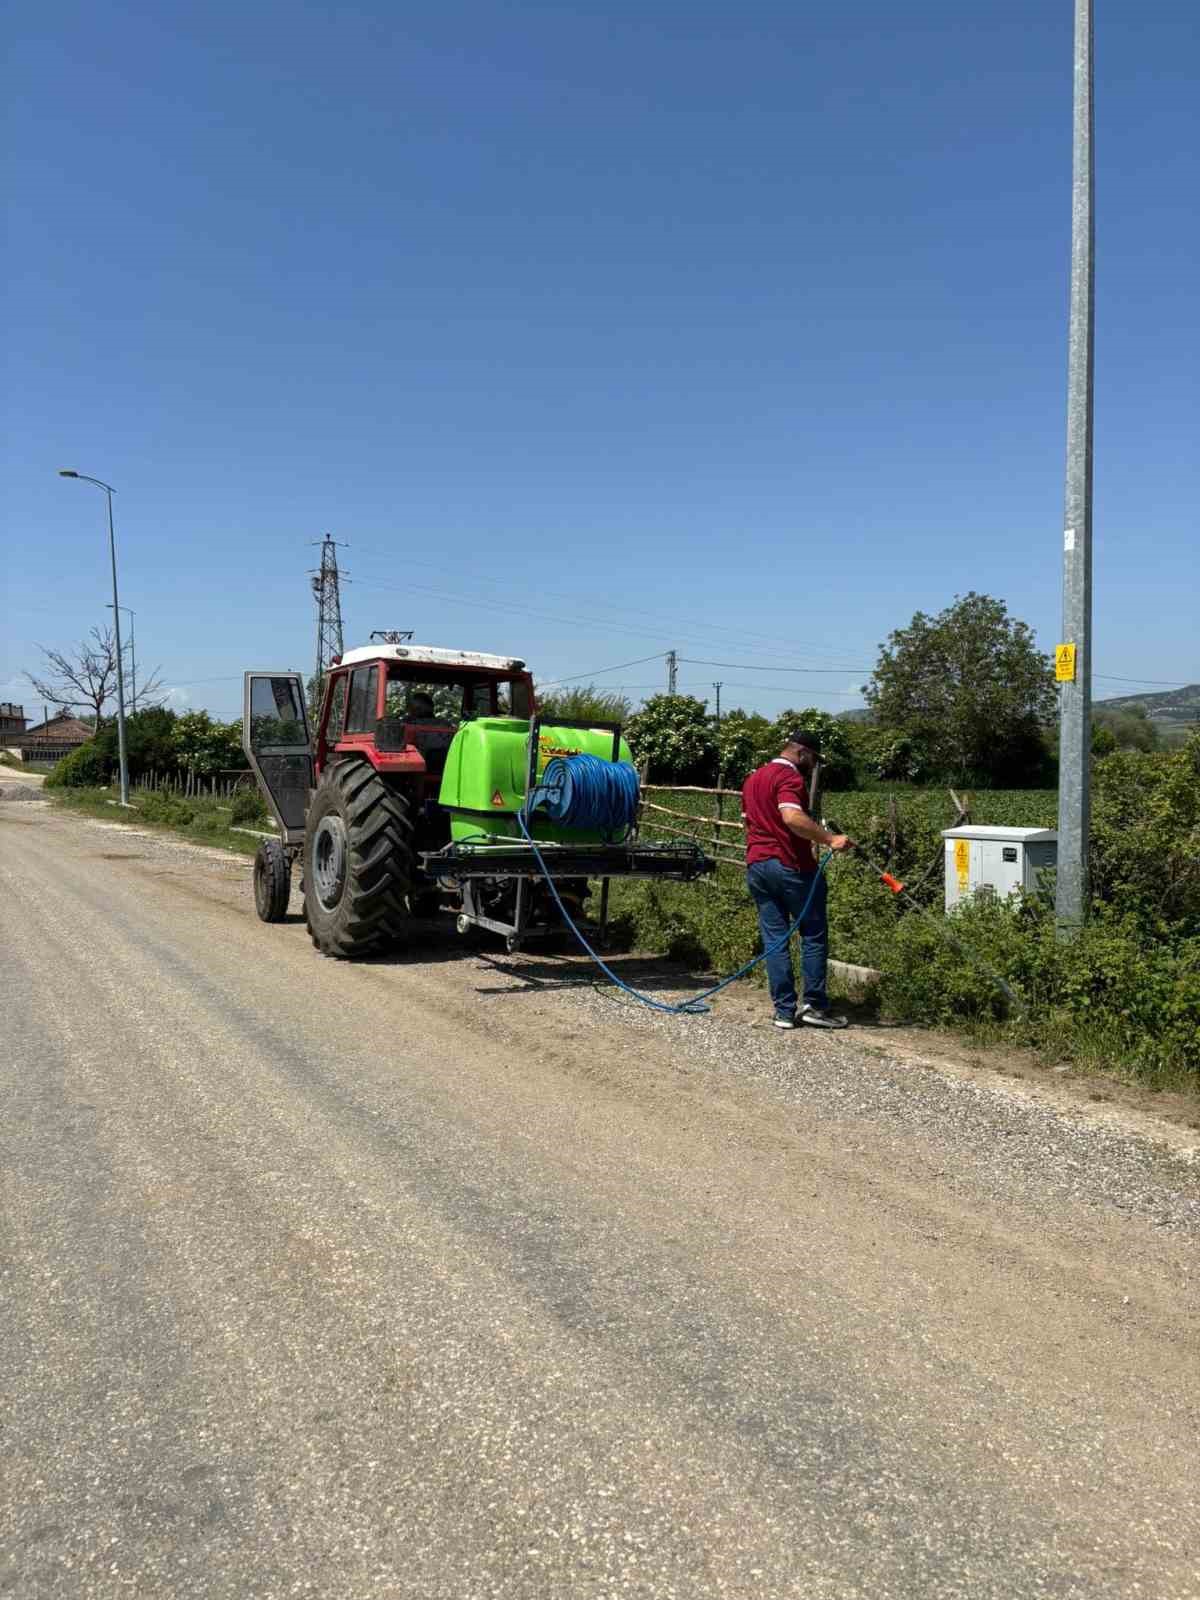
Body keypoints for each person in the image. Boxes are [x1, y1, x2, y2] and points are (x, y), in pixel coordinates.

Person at [742, 730, 854, 1030]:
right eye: (814, 759)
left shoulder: (754, 778)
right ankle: (814, 1006)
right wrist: (831, 839)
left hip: (757, 866)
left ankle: (783, 1012)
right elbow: (791, 817)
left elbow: (750, 821)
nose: (813, 765)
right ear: (802, 753)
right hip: (790, 867)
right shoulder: (789, 778)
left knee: (775, 939)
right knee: (813, 933)